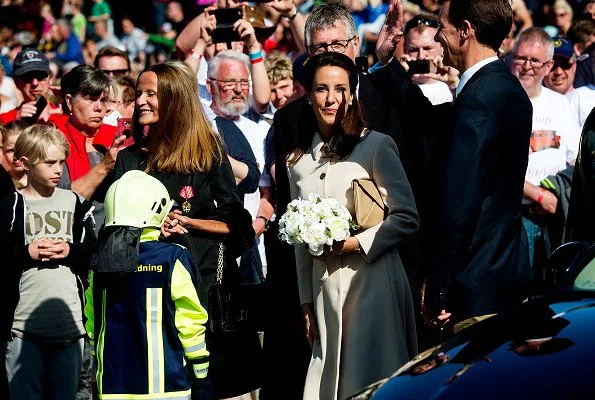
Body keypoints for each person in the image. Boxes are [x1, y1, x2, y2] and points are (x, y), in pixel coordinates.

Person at [113, 61, 259, 399]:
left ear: (176, 100)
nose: (140, 102)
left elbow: (238, 227)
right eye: (139, 94)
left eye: (151, 94)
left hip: (205, 295)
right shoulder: (130, 160)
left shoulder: (208, 154)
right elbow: (116, 232)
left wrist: (188, 223)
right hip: (149, 301)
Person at [286, 51, 418, 400]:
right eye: (321, 89)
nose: (331, 99)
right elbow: (299, 241)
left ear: (352, 93)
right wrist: (305, 303)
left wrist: (355, 244)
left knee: (374, 382)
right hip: (324, 291)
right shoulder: (297, 162)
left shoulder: (375, 145)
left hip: (375, 284)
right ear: (309, 94)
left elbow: (406, 217)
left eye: (341, 89)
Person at [420, 0, 533, 329]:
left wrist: (438, 286)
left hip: (475, 285)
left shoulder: (479, 100)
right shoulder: (505, 88)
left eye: (443, 26)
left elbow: (459, 203)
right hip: (505, 273)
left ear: (465, 31)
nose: (438, 36)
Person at [85, 170, 210, 399]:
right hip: (168, 387)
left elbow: (93, 322)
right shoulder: (173, 258)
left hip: (113, 386)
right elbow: (190, 318)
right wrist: (201, 369)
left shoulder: (99, 261)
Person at [0, 124, 96, 400]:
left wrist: (69, 250)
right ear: (25, 163)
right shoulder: (11, 205)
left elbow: (93, 250)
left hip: (70, 329)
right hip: (22, 331)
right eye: (50, 163)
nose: (59, 170)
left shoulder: (76, 202)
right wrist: (25, 253)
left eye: (62, 162)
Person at [509, 27, 579, 272]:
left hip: (555, 217)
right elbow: (492, 164)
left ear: (548, 66)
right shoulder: (500, 101)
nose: (527, 66)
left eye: (535, 61)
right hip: (516, 216)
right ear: (511, 58)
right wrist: (538, 195)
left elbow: (574, 160)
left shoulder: (560, 104)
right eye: (521, 58)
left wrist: (556, 195)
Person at [400, 12, 455, 105]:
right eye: (414, 50)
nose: (421, 56)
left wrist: (454, 86)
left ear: (442, 47)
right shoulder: (396, 85)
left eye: (427, 48)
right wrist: (399, 80)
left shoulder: (458, 83)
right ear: (405, 48)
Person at [0, 49, 55, 125]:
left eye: (40, 75)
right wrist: (16, 123)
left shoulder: (68, 116)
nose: (35, 83)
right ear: (16, 82)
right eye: (27, 77)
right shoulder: (4, 122)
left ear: (50, 79)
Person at [1, 119, 28, 189]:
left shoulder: (45, 178)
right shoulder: (4, 184)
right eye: (10, 150)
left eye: (21, 148)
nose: (16, 156)